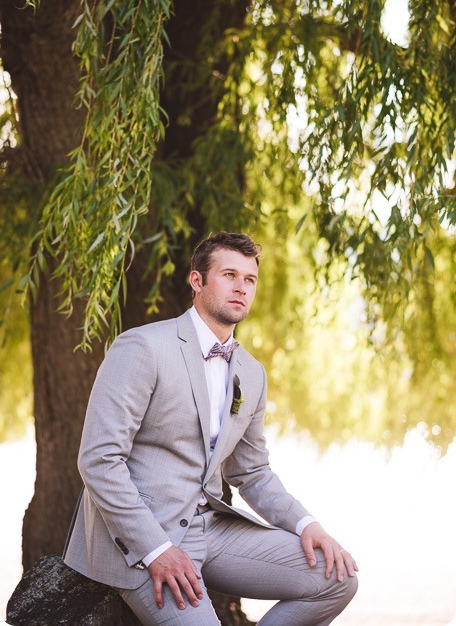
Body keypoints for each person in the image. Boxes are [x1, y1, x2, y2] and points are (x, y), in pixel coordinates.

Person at [64, 231, 358, 625]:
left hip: (213, 531)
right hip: (138, 542)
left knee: (337, 577)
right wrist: (156, 549)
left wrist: (307, 524)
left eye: (249, 280)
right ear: (197, 281)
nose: (241, 288)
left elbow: (251, 472)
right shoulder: (142, 347)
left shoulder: (251, 373)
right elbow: (99, 461)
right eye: (229, 275)